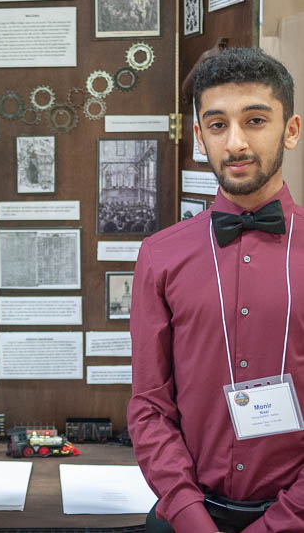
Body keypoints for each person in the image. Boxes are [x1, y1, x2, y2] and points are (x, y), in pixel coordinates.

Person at [128, 47, 304, 533]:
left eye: (255, 120)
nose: (236, 142)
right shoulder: (160, 256)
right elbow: (149, 404)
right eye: (219, 124)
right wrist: (186, 513)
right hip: (188, 516)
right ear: (200, 136)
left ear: (290, 130)